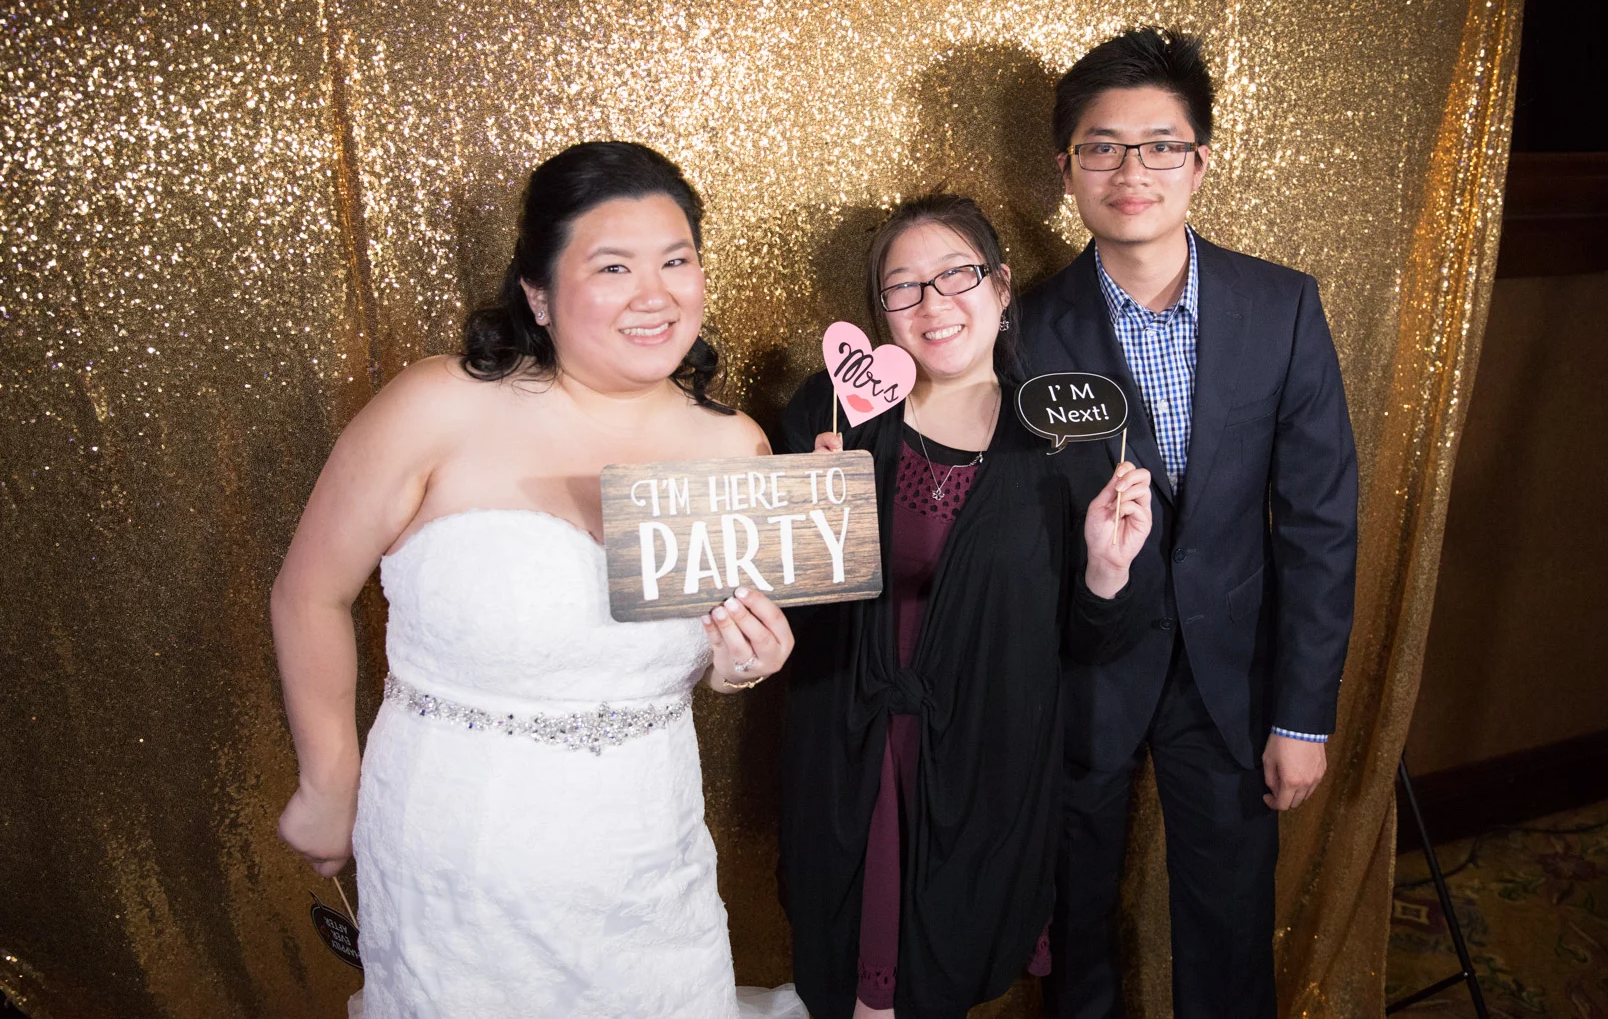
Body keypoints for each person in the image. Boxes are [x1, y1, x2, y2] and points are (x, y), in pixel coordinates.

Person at [271, 141, 803, 1018]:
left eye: (676, 262)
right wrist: (329, 780)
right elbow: (308, 594)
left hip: (644, 857)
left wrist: (741, 665)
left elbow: (712, 649)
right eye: (613, 267)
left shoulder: (733, 445)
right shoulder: (437, 405)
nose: (654, 294)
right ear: (539, 293)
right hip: (456, 855)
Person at [1019, 28, 1359, 1018]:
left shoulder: (1281, 307)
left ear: (1200, 162)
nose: (1132, 172)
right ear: (1066, 169)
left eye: (1160, 146)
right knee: (1074, 922)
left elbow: (1320, 522)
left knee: (1230, 926)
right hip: (1081, 673)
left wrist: (1302, 714)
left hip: (1233, 678)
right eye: (1102, 147)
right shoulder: (1021, 329)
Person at [775, 194, 1155, 1019]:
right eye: (903, 287)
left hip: (987, 762)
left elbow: (1092, 644)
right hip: (850, 754)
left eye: (957, 275)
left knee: (946, 979)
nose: (933, 303)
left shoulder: (1064, 440)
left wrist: (1105, 568)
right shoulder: (832, 413)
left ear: (1002, 286)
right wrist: (808, 513)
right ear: (881, 311)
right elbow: (782, 612)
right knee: (855, 991)